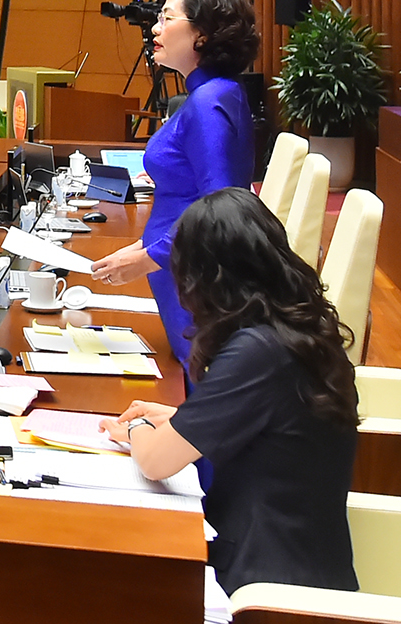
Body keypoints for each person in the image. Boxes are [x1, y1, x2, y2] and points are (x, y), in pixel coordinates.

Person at [101, 187, 359, 597]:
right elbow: (273, 428)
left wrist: (133, 433)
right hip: (302, 563)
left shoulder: (257, 351)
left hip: (267, 591)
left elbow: (154, 461)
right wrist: (178, 421)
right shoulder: (299, 329)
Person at [90, 0, 260, 367]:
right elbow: (183, 195)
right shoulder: (212, 93)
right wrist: (143, 247)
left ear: (202, 34)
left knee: (194, 385)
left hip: (198, 283)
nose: (155, 28)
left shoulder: (209, 102)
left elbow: (218, 209)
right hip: (181, 269)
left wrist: (150, 256)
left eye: (167, 18)